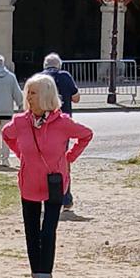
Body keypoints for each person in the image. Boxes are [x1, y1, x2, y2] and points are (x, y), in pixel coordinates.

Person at [0, 72, 92, 278]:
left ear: (46, 96)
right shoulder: (21, 122)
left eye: (33, 93)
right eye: (27, 92)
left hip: (55, 184)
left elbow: (86, 135)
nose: (28, 97)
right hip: (29, 183)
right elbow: (6, 134)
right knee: (32, 233)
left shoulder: (62, 123)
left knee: (47, 232)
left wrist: (68, 158)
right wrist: (21, 154)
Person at [43, 52, 81, 210]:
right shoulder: (65, 76)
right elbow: (76, 98)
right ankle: (65, 198)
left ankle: (45, 197)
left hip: (43, 124)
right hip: (63, 124)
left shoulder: (40, 78)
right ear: (59, 65)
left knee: (43, 162)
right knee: (63, 162)